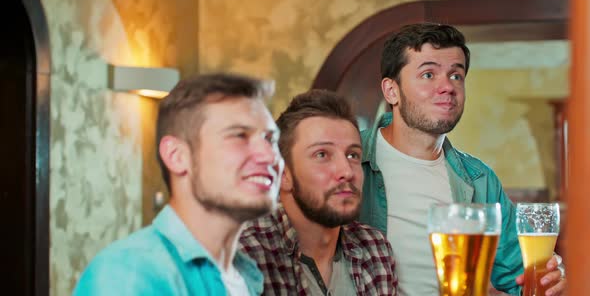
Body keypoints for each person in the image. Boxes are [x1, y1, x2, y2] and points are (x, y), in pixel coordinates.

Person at [359, 22, 566, 295]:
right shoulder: (351, 156)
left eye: (456, 75)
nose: (447, 86)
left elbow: (523, 274)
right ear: (391, 91)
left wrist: (554, 278)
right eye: (429, 74)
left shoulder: (480, 180)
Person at [74, 73, 283, 295]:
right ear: (176, 156)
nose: (269, 155)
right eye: (239, 135)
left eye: (270, 140)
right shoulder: (126, 275)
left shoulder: (246, 277)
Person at [239, 90, 397, 295]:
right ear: (283, 174)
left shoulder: (376, 250)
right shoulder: (245, 255)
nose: (347, 171)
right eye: (322, 154)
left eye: (353, 155)